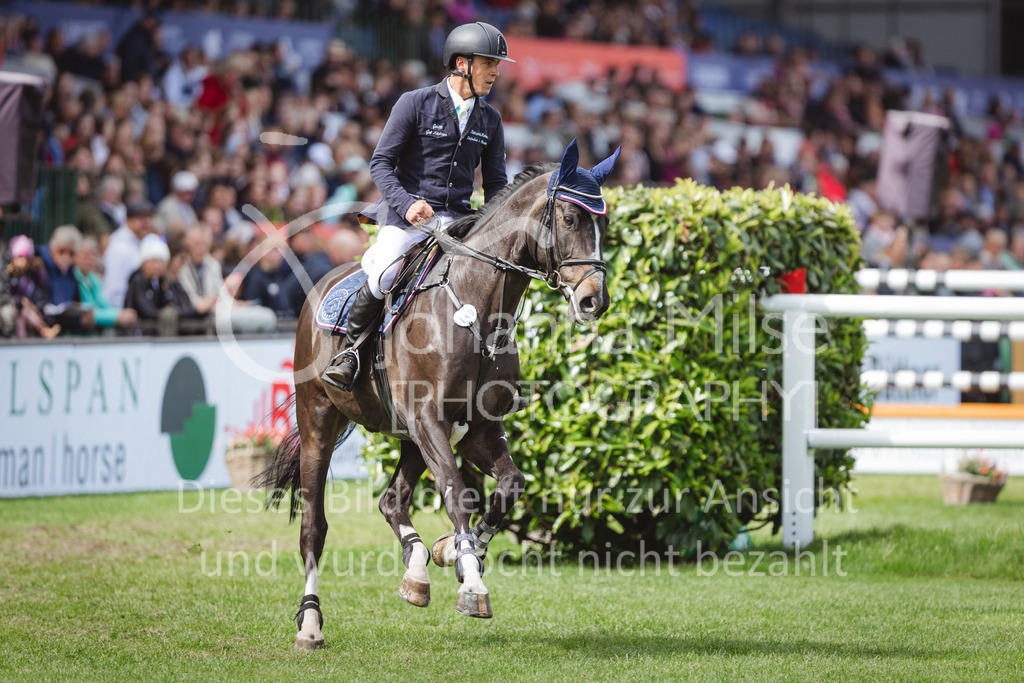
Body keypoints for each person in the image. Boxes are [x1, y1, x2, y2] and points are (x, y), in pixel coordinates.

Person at [322, 21, 514, 390]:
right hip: (407, 219)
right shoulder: (415, 103)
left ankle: (494, 375)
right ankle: (351, 353)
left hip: (458, 222)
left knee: (492, 281)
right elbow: (380, 163)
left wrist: (495, 230)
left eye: (497, 64)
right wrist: (408, 204)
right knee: (384, 277)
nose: (496, 72)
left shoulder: (491, 119)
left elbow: (496, 185)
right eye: (489, 62)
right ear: (462, 64)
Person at [74, 236, 138, 333]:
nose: (89, 260)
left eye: (93, 256)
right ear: (76, 256)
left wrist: (121, 314)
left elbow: (104, 305)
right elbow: (88, 312)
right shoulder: (74, 278)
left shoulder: (93, 279)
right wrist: (117, 316)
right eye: (85, 256)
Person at [103, 201, 154, 309]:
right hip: (123, 316)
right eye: (142, 219)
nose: (147, 223)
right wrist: (120, 316)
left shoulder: (140, 242)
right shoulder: (119, 247)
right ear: (128, 220)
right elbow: (113, 290)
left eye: (149, 217)